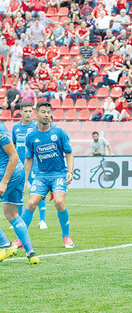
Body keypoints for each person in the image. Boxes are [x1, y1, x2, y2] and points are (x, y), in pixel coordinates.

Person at [13, 101, 74, 249]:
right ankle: (21, 239)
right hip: (41, 176)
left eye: (48, 112)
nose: (46, 115)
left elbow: (69, 153)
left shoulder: (59, 131)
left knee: (59, 202)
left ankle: (66, 236)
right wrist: (25, 180)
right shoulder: (31, 135)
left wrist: (70, 171)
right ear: (37, 114)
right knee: (30, 203)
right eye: (43, 112)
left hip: (59, 174)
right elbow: (29, 158)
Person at [0, 121, 40, 264]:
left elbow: (14, 156)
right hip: (16, 172)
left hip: (8, 173)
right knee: (11, 213)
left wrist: (4, 181)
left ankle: (4, 245)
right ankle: (31, 253)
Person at [11, 102, 47, 228]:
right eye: (25, 111)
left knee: (38, 191)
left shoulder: (37, 127)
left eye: (30, 111)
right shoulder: (16, 128)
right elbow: (13, 147)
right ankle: (18, 220)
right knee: (19, 192)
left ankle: (43, 220)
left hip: (35, 165)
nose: (28, 114)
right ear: (21, 112)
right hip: (19, 166)